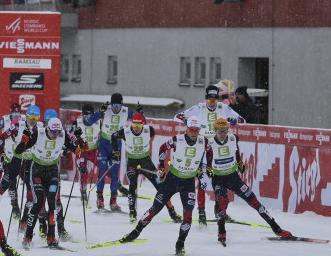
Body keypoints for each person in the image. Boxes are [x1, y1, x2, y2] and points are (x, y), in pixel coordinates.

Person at [117, 117, 207, 255]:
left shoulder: (204, 141)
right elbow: (163, 148)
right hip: (172, 180)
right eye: (191, 129)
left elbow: (209, 153)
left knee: (188, 216)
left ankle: (180, 244)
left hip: (188, 183)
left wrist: (203, 168)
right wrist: (161, 167)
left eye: (196, 130)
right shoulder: (177, 139)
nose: (194, 133)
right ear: (186, 129)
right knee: (154, 209)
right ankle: (135, 232)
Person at [206, 118, 291, 245]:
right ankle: (221, 231)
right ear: (215, 131)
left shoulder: (234, 138)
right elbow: (208, 161)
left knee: (255, 203)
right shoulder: (210, 143)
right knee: (223, 202)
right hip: (218, 179)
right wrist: (208, 169)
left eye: (225, 131)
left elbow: (236, 152)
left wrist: (239, 162)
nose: (222, 134)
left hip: (233, 178)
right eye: (220, 131)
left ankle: (277, 229)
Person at [174, 85, 245, 224]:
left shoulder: (223, 108)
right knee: (203, 182)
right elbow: (177, 117)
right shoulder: (199, 108)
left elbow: (242, 120)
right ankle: (201, 213)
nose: (212, 102)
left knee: (221, 181)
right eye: (209, 100)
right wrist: (189, 122)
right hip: (204, 149)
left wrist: (234, 121)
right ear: (206, 98)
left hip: (219, 149)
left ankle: (220, 211)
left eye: (214, 99)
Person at [18, 117, 86, 248]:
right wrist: (24, 140)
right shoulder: (39, 133)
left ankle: (51, 236)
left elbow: (77, 150)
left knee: (52, 204)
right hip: (37, 170)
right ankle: (28, 236)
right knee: (37, 203)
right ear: (47, 129)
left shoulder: (62, 134)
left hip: (52, 172)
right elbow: (19, 150)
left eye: (58, 131)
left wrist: (80, 141)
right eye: (53, 131)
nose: (56, 134)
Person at [111, 113, 182, 223]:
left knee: (160, 186)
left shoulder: (149, 130)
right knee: (132, 187)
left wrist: (148, 142)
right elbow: (113, 136)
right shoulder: (125, 131)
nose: (136, 128)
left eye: (139, 126)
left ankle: (172, 212)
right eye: (134, 125)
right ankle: (132, 213)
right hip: (132, 163)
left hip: (145, 161)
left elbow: (152, 134)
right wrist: (115, 151)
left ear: (142, 125)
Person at [86, 93, 132, 211]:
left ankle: (113, 201)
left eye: (118, 105)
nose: (116, 108)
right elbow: (89, 121)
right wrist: (99, 111)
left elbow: (142, 120)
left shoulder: (126, 111)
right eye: (114, 105)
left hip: (116, 145)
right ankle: (100, 199)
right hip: (103, 144)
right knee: (102, 171)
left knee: (115, 173)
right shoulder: (105, 110)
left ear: (121, 104)